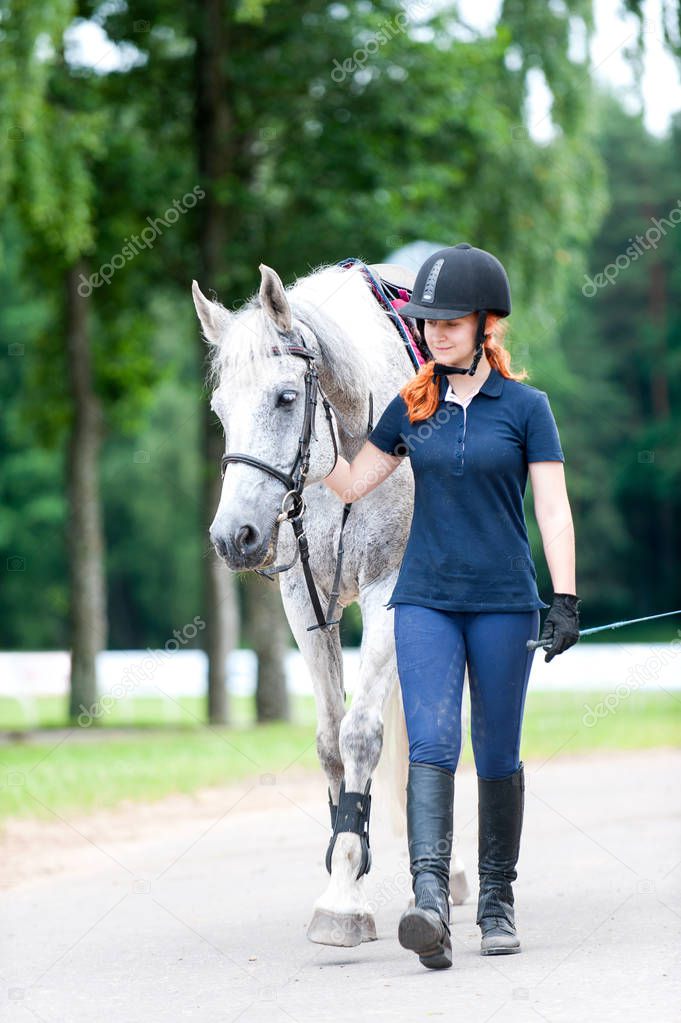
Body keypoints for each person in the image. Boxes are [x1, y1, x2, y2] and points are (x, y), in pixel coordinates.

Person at [322, 242, 580, 970]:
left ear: (482, 324)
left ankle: (495, 901)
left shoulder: (527, 409)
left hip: (503, 603)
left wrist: (563, 598)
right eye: (427, 321)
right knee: (432, 747)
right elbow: (351, 482)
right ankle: (428, 902)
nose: (434, 331)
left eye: (449, 321)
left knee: (496, 754)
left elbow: (554, 511)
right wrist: (304, 440)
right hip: (426, 601)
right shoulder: (410, 405)